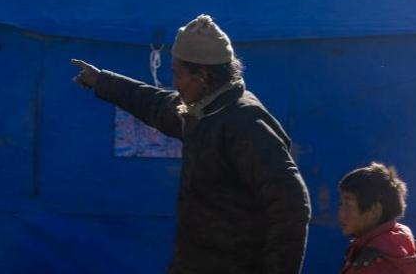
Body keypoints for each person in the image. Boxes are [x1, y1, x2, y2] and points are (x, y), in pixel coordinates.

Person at [71, 14, 311, 274]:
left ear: (203, 76)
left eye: (178, 74)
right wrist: (102, 81)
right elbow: (157, 105)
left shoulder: (244, 122)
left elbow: (291, 205)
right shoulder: (203, 110)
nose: (175, 84)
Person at [338, 162, 416, 274]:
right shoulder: (401, 239)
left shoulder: (373, 266)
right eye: (341, 203)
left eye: (348, 203)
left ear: (374, 211)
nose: (341, 213)